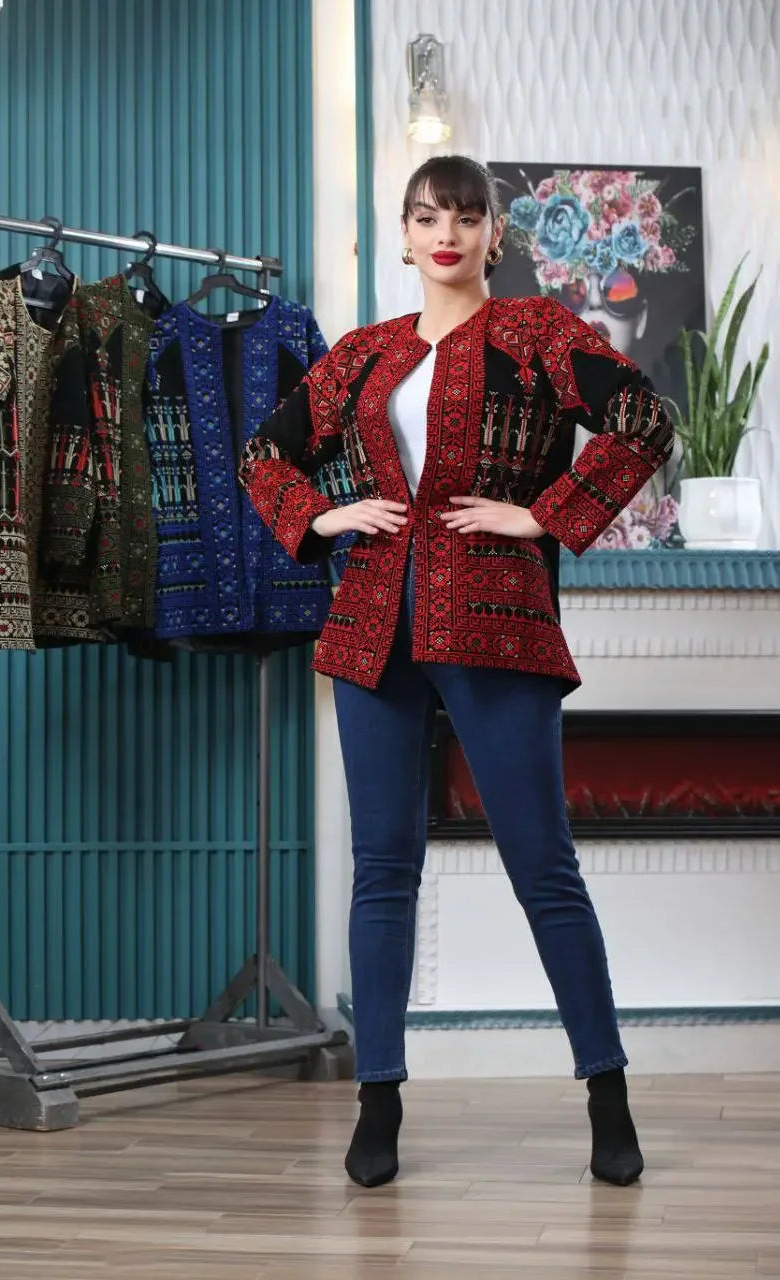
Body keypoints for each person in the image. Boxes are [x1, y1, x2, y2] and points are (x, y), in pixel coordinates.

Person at [239, 155, 673, 1190]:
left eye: (466, 216)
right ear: (403, 233)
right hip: (368, 631)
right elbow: (266, 452)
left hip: (498, 622)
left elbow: (642, 418)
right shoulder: (362, 354)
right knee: (382, 867)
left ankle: (606, 1093)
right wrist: (322, 517)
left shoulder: (537, 335)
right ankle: (378, 1098)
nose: (446, 232)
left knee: (543, 866)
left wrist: (544, 514)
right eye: (428, 215)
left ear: (492, 235)